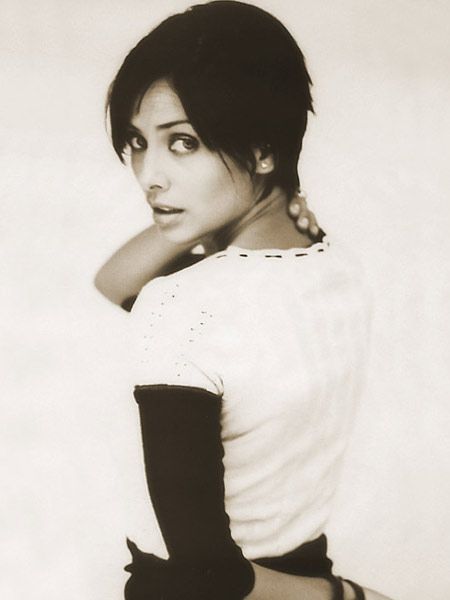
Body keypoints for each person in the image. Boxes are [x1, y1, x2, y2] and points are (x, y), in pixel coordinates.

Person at [95, 2, 393, 599]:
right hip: (301, 571)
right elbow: (115, 280)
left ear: (262, 149)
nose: (149, 174)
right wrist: (240, 201)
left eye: (183, 143)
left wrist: (347, 597)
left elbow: (207, 573)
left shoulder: (182, 306)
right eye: (138, 142)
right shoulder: (338, 267)